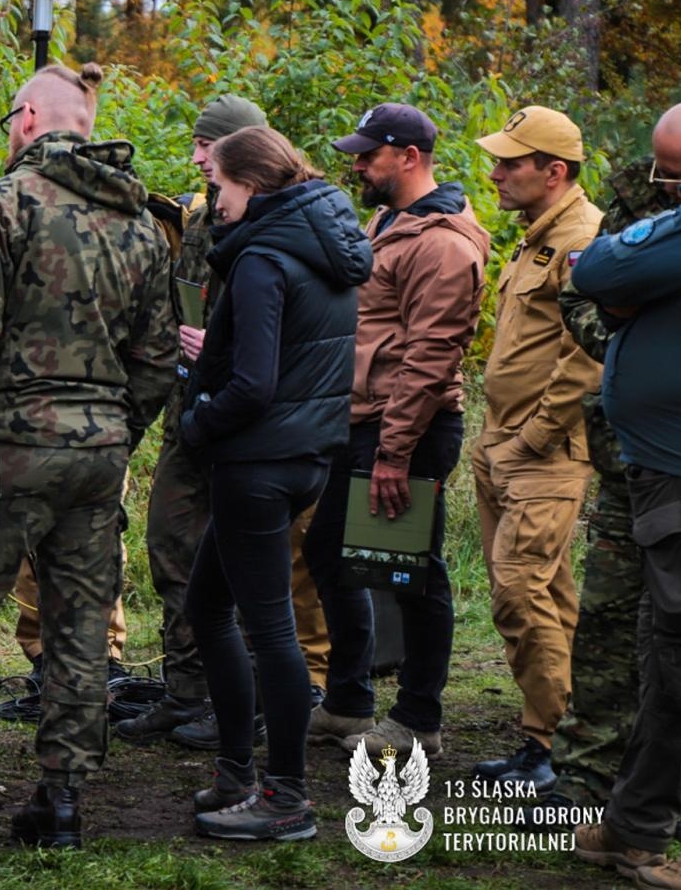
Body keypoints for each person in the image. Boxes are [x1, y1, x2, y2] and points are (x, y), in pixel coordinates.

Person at [0, 62, 176, 852]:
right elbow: (157, 361)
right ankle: (60, 804)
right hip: (96, 455)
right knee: (81, 627)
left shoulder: (6, 203)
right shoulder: (145, 223)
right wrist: (114, 430)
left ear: (26, 119)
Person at [116, 94, 331, 749]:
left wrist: (216, 353)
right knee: (172, 547)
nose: (197, 158)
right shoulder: (203, 217)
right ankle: (188, 692)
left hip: (248, 423)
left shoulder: (277, 227)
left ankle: (232, 703)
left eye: (207, 147)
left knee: (246, 576)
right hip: (197, 416)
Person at [179, 125, 372, 841]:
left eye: (220, 186)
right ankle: (236, 772)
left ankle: (285, 795)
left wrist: (199, 420)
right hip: (306, 455)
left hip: (256, 462)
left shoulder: (263, 258)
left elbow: (254, 383)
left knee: (269, 629)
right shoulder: (326, 242)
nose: (214, 198)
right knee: (209, 606)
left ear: (252, 184)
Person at [303, 104, 488, 759]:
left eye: (368, 154)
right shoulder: (392, 220)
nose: (356, 164)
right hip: (361, 419)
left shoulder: (445, 243)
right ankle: (349, 702)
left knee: (412, 571)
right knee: (330, 548)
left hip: (406, 427)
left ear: (408, 157)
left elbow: (431, 358)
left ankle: (418, 716)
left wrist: (393, 450)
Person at [542, 112, 681, 818]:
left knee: (673, 631)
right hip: (626, 452)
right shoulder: (636, 194)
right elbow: (580, 288)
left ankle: (655, 795)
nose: (668, 186)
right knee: (607, 615)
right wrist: (626, 325)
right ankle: (585, 774)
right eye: (665, 173)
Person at [469, 106, 603, 793]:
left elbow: (587, 357)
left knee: (518, 591)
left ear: (554, 172)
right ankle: (553, 738)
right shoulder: (534, 238)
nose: (495, 173)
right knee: (545, 591)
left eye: (509, 163)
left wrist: (531, 436)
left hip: (541, 450)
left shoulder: (583, 238)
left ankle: (556, 747)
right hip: (504, 443)